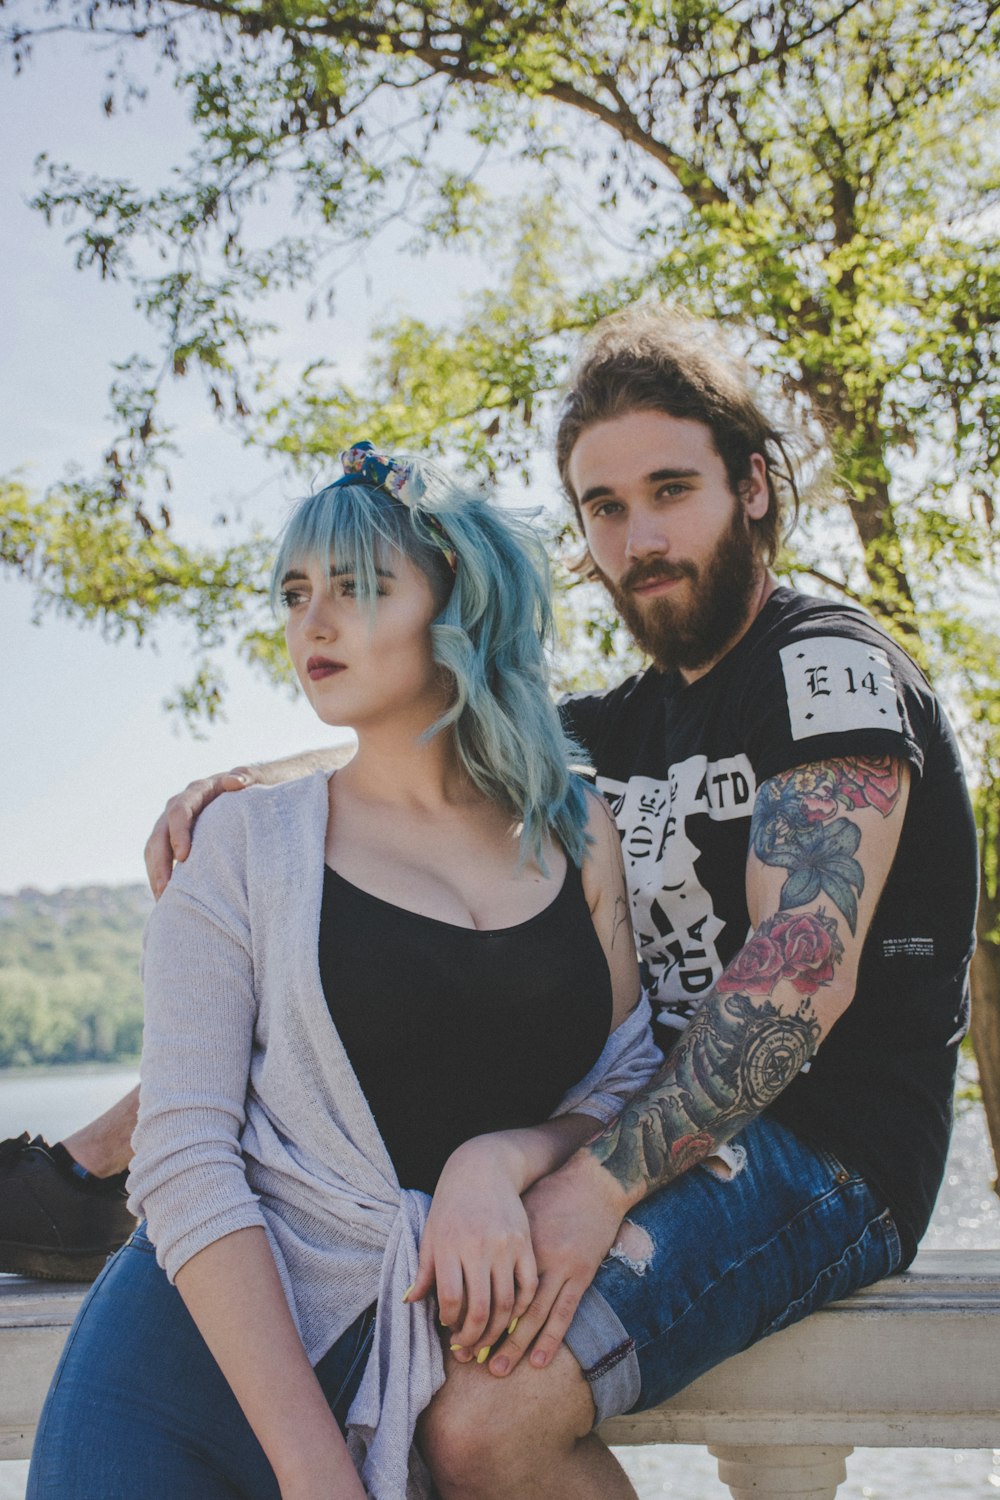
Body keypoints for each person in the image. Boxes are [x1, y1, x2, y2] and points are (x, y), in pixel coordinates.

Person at [13, 306, 979, 1500]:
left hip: (817, 1147)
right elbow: (423, 756)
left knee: (477, 1416)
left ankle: (72, 1181)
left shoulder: (825, 674)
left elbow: (797, 975)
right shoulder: (623, 724)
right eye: (604, 507)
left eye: (671, 489)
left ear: (758, 487)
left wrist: (583, 1189)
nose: (640, 536)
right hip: (638, 1128)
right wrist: (246, 784)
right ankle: (77, 1180)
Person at [25, 443, 661, 1500]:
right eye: (293, 592)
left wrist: (498, 1160)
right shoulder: (237, 846)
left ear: (454, 604)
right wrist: (318, 1475)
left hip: (415, 1360)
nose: (309, 623)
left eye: (357, 588)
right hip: (191, 1379)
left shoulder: (575, 831)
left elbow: (629, 1076)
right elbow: (183, 1161)